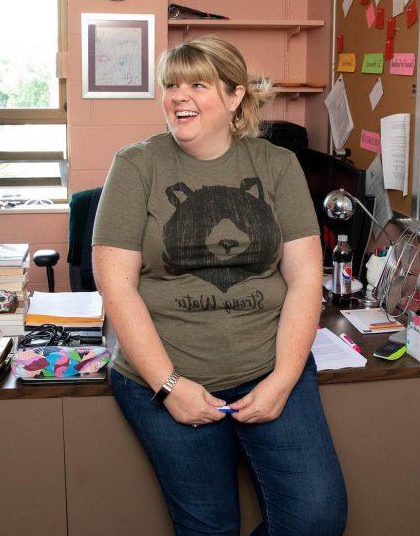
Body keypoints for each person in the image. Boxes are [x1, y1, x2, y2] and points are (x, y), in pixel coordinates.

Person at [92, 36, 348, 535]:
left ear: (235, 97)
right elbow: (116, 288)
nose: (178, 96)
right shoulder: (136, 166)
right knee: (209, 528)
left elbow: (302, 280)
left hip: (269, 368)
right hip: (168, 377)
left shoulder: (276, 165)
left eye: (197, 85)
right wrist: (169, 386)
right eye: (170, 85)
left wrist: (282, 380)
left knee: (317, 518)